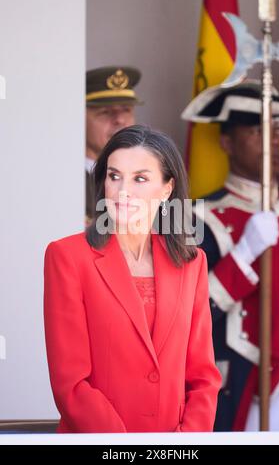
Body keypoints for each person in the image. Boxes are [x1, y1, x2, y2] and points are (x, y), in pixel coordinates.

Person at [44, 124, 221, 433]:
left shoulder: (192, 263)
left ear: (167, 188)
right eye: (114, 176)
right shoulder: (67, 257)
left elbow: (203, 376)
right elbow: (70, 383)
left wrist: (182, 444)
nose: (123, 191)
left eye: (140, 178)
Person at [182, 81, 279, 431]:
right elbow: (187, 316)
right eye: (257, 131)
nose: (274, 141)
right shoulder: (194, 217)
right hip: (242, 391)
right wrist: (244, 253)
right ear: (227, 142)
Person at [85, 66, 142, 224]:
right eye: (105, 112)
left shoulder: (152, 178)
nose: (119, 120)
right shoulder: (64, 180)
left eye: (126, 110)